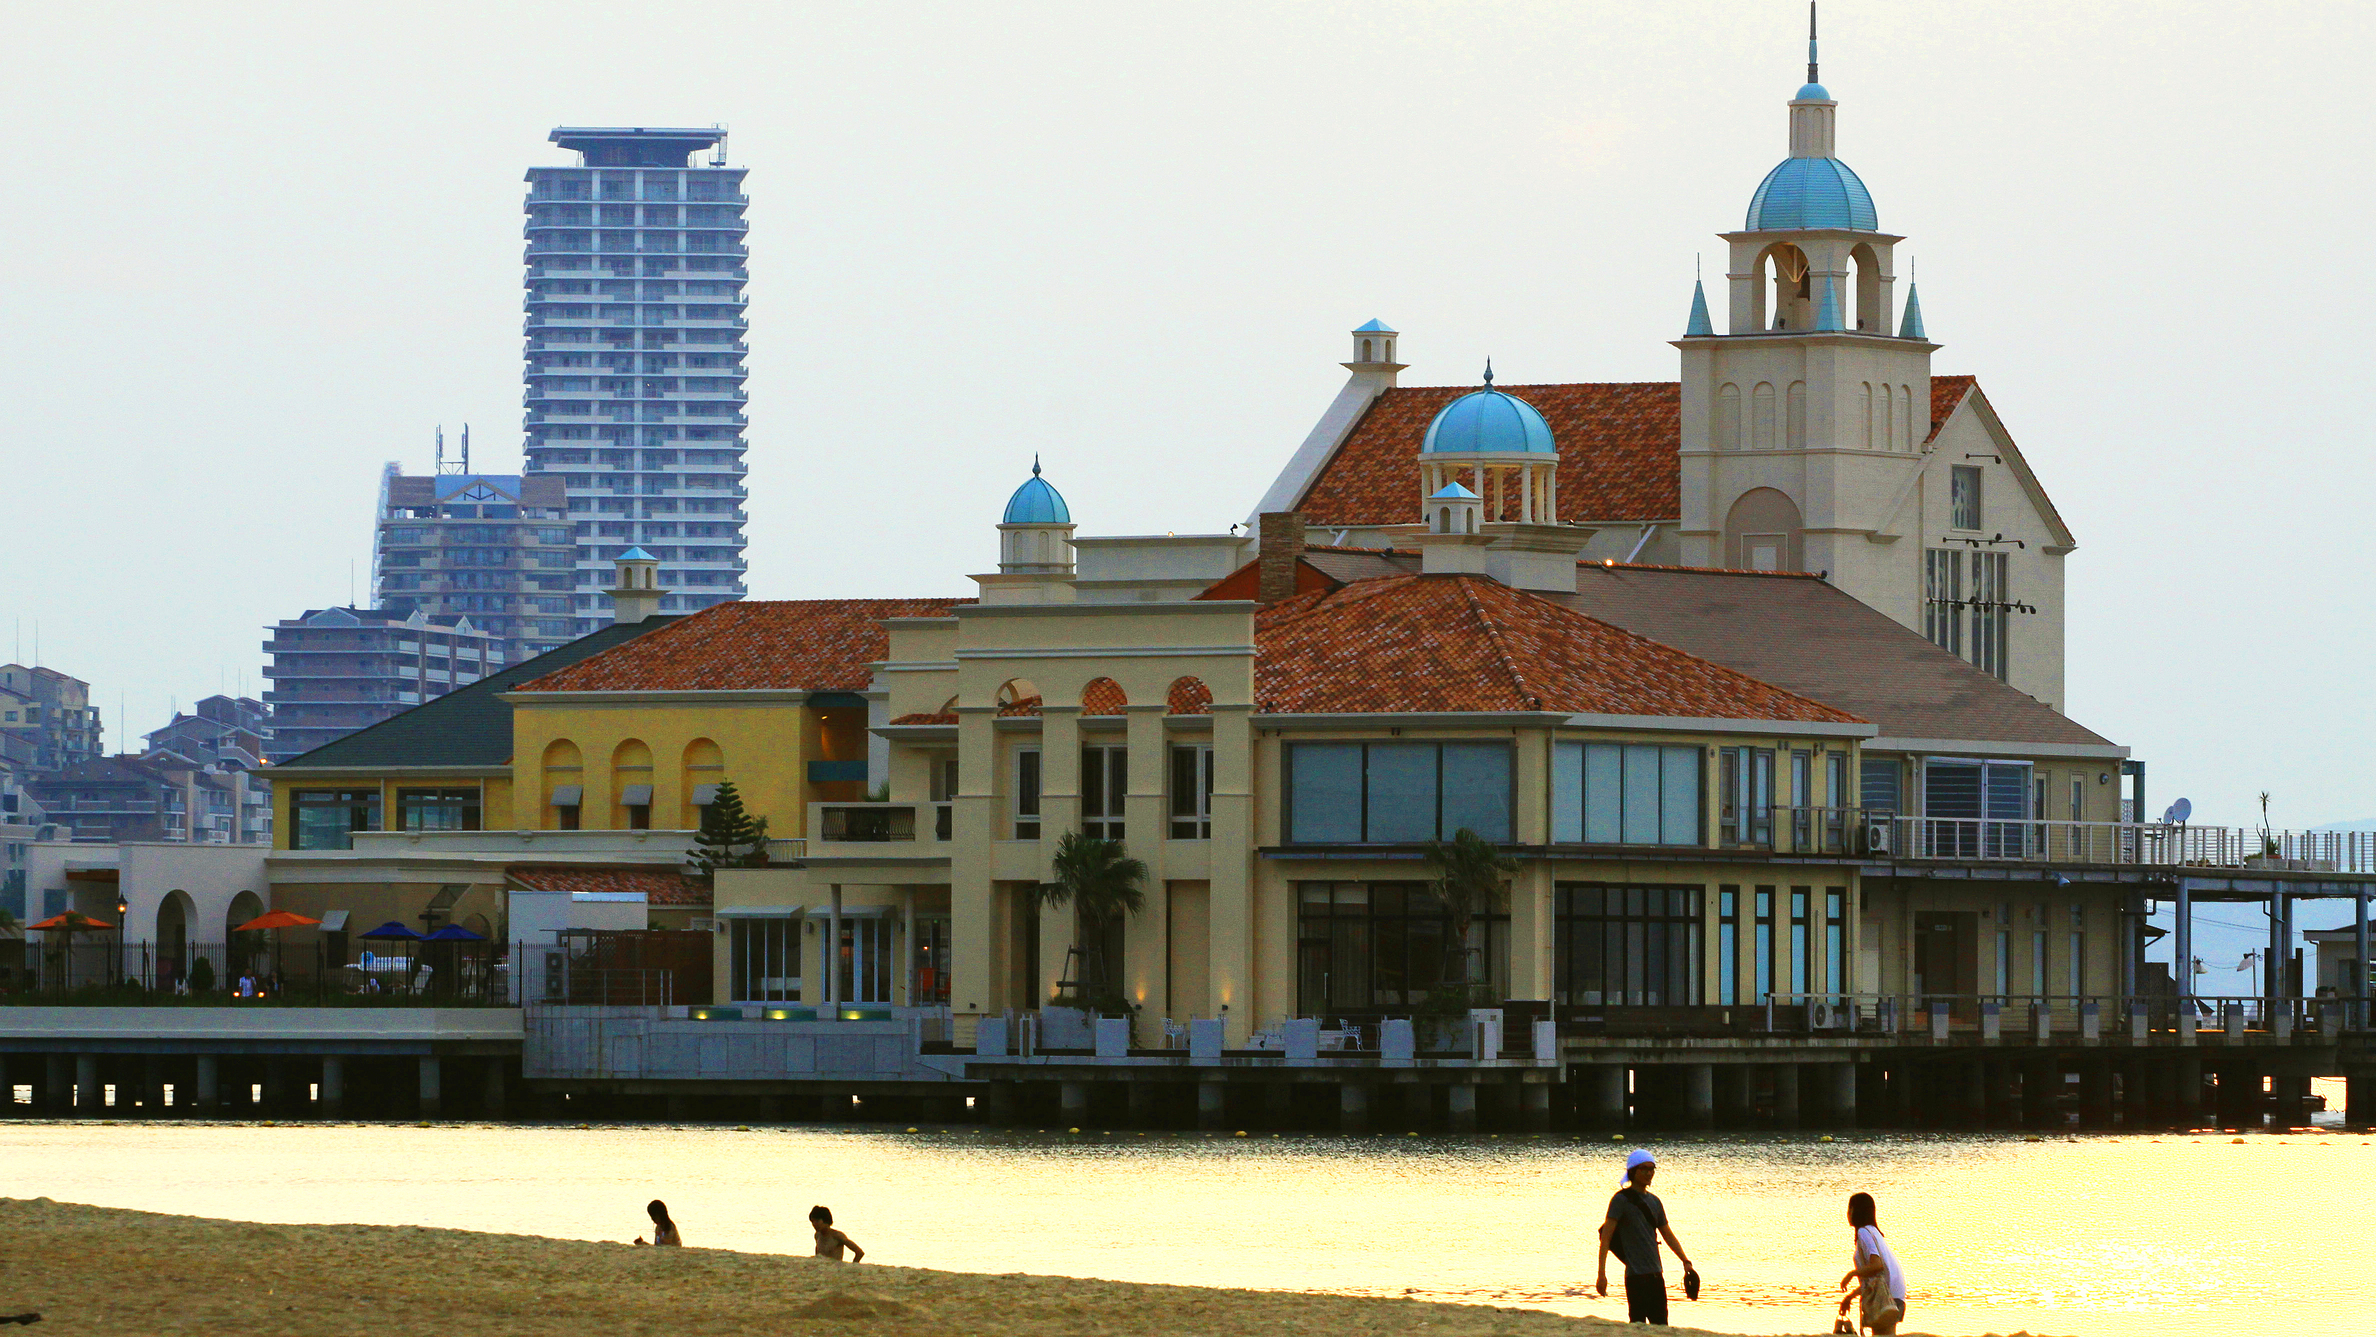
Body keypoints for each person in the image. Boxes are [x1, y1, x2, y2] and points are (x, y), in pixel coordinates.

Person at [1596, 1148, 1693, 1325]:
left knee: (1661, 1326)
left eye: (1652, 1169)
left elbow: (1668, 1235)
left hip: (1656, 1274)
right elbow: (1606, 1238)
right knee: (1638, 1326)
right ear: (1633, 1171)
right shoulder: (1620, 1200)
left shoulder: (1655, 1201)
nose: (1649, 1173)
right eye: (1644, 1169)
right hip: (1635, 1277)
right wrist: (1602, 1274)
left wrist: (1685, 1261)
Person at [1836, 1192, 1905, 1334]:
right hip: (1894, 1297)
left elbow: (1876, 1266)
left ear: (1855, 1211)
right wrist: (1850, 1297)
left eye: (1849, 1208)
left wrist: (1852, 1274)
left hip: (1886, 1300)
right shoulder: (1873, 1232)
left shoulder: (1863, 1232)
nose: (1847, 1213)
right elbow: (1875, 1280)